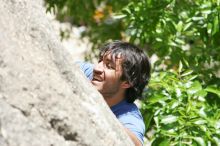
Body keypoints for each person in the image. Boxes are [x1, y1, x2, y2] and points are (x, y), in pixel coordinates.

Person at [78, 41, 151, 146]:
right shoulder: (91, 74)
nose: (97, 68)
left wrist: (103, 115)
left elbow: (135, 143)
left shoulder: (128, 116)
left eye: (109, 66)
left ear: (126, 82)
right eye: (100, 61)